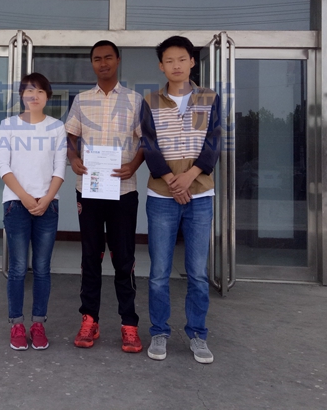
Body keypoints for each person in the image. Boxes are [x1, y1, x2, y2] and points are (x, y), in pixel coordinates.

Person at [140, 35, 221, 364]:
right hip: (161, 195)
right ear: (161, 66)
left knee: (197, 272)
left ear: (192, 62)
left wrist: (189, 177)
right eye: (169, 60)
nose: (176, 65)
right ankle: (159, 331)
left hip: (201, 193)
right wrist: (172, 181)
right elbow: (149, 145)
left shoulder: (210, 98)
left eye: (182, 59)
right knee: (159, 271)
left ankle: (197, 335)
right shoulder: (150, 101)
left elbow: (214, 142)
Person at [65, 40, 145, 353]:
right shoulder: (82, 101)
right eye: (97, 59)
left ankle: (129, 324)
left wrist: (133, 165)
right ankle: (89, 319)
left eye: (108, 57)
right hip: (90, 190)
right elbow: (70, 137)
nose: (103, 63)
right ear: (92, 63)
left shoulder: (136, 100)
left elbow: (145, 143)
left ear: (118, 60)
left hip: (124, 191)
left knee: (123, 258)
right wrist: (73, 159)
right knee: (91, 256)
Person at [0, 73, 66, 351]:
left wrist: (46, 198)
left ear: (47, 96)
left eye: (39, 91)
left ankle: (38, 324)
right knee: (16, 268)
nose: (33, 95)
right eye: (28, 91)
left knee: (43, 268)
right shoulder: (8, 126)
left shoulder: (56, 127)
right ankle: (16, 324)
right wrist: (25, 198)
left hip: (48, 204)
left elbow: (60, 168)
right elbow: (3, 166)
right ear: (21, 96)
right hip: (16, 204)